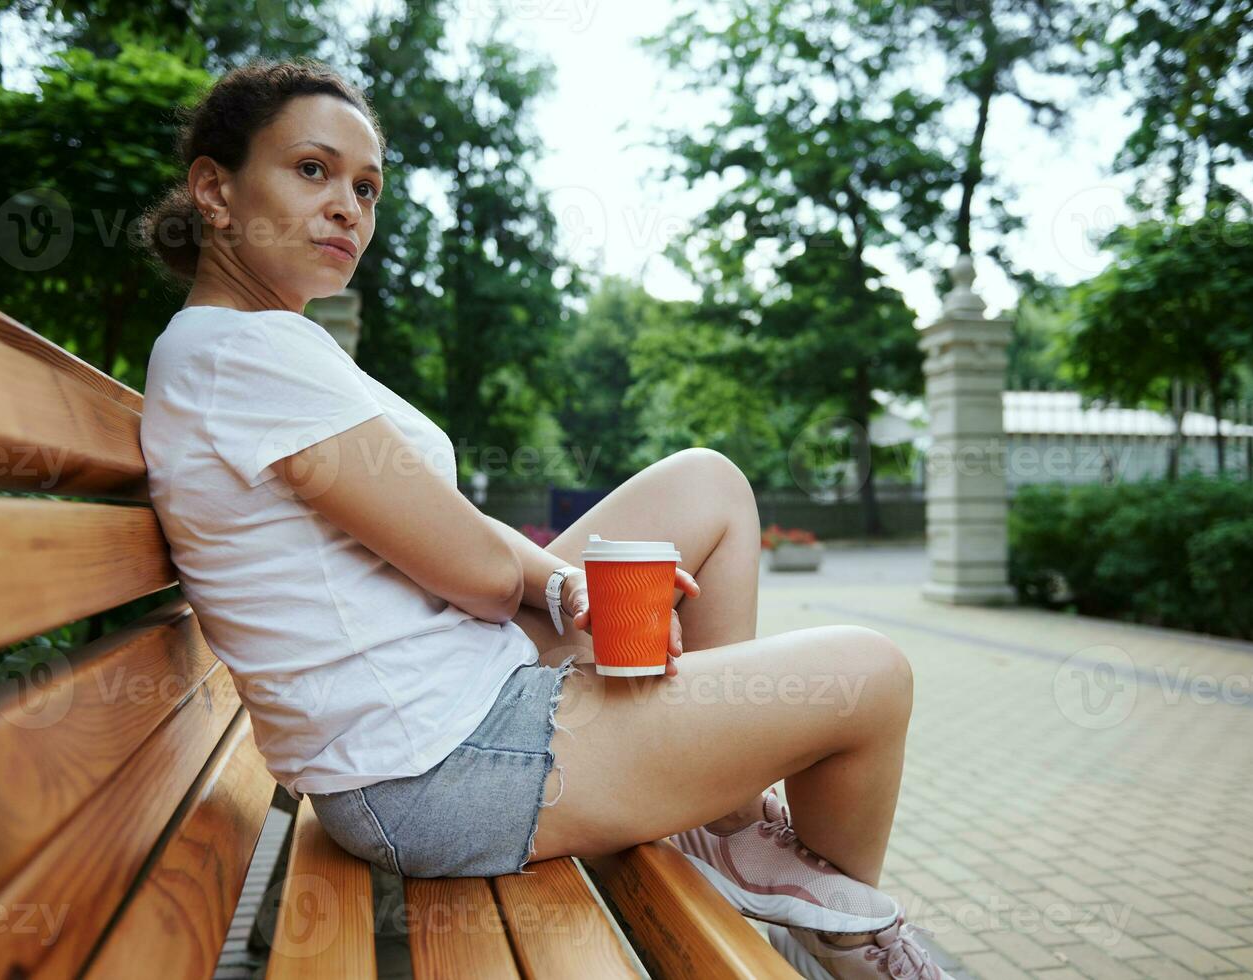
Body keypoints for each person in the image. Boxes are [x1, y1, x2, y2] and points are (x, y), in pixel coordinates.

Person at [137, 58, 952, 980]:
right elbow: (477, 570)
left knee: (708, 485)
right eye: (313, 170)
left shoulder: (257, 346)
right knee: (868, 677)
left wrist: (562, 587)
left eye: (366, 187)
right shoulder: (242, 355)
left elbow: (457, 537)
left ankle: (729, 832)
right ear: (213, 188)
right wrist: (563, 595)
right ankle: (834, 949)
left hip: (447, 706)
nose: (349, 209)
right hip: (433, 770)